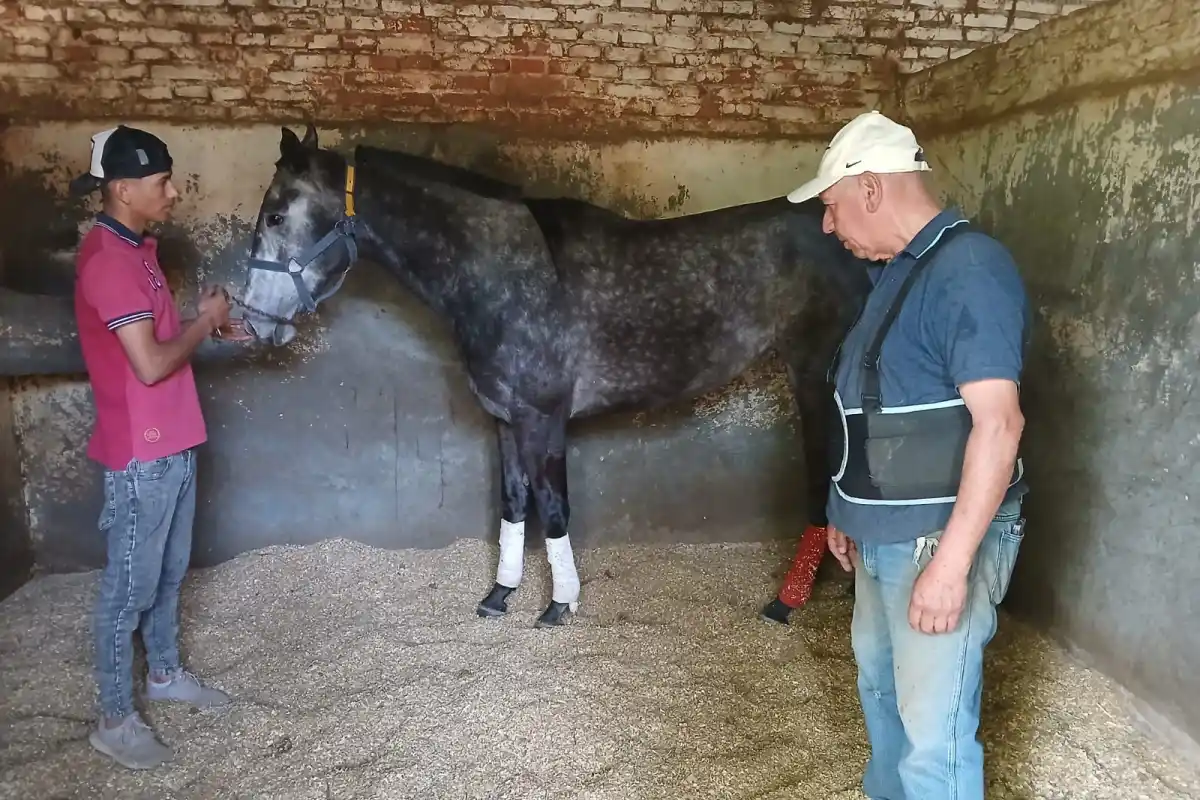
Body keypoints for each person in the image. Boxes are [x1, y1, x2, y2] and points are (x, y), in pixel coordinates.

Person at [785, 110, 1031, 800]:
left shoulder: (969, 269)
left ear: (870, 189)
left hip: (933, 538)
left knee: (932, 733)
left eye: (831, 206)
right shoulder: (905, 270)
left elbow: (999, 425)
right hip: (885, 532)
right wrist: (847, 508)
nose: (827, 226)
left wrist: (951, 567)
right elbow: (881, 404)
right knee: (882, 690)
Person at [70, 125, 249, 770]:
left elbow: (156, 339)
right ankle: (115, 718)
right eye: (162, 182)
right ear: (122, 189)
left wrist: (207, 326)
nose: (173, 193)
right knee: (129, 589)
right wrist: (205, 321)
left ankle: (166, 674)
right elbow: (148, 365)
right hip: (142, 453)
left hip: (174, 439)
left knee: (170, 573)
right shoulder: (108, 262)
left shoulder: (138, 249)